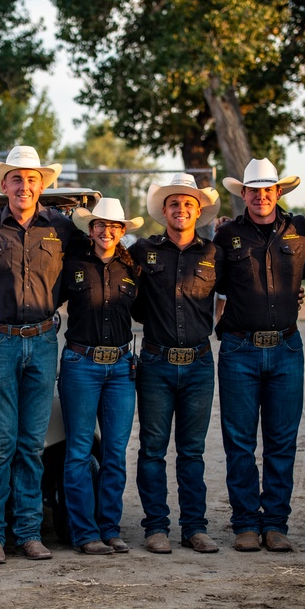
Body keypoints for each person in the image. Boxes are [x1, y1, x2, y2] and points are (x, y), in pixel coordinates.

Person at [214, 158, 305, 553]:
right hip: (238, 348)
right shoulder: (226, 236)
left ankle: (275, 524)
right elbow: (206, 282)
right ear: (244, 194)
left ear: (279, 192)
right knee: (238, 441)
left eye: (268, 189)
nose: (261, 196)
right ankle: (245, 524)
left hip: (286, 348)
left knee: (282, 440)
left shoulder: (303, 230)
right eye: (253, 190)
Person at [0, 145, 76, 564]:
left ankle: (27, 532)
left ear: (41, 184)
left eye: (32, 179)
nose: (24, 186)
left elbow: (100, 259)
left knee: (31, 443)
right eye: (16, 178)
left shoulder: (62, 227)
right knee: (0, 442)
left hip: (44, 340)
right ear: (4, 184)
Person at [129, 173, 222, 555]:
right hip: (155, 361)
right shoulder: (141, 251)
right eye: (173, 203)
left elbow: (237, 290)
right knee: (152, 448)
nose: (181, 209)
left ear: (198, 211)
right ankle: (155, 527)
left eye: (188, 203)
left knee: (192, 450)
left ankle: (194, 527)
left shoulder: (215, 254)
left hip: (199, 364)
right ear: (163, 211)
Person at [58, 197, 143, 555]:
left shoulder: (133, 270)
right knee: (78, 449)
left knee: (114, 451)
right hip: (81, 364)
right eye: (99, 225)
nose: (106, 231)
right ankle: (84, 532)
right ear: (90, 230)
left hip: (122, 368)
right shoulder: (72, 264)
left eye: (114, 226)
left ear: (123, 232)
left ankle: (110, 527)